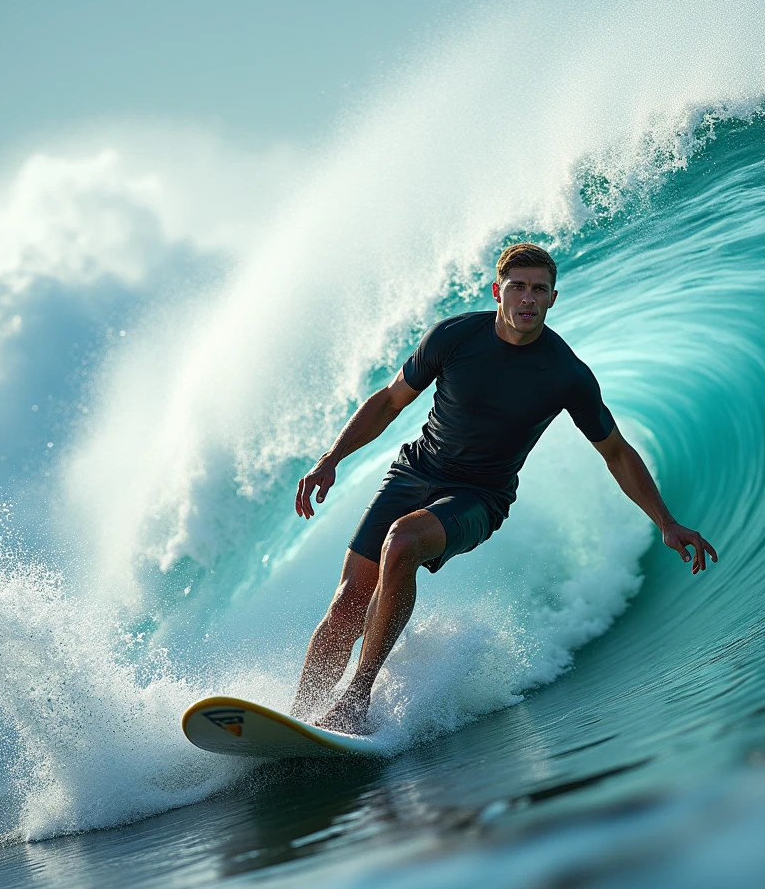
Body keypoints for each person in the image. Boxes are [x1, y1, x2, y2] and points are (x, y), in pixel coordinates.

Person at [292, 242, 717, 732]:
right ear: (498, 291)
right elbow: (390, 402)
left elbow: (616, 451)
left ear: (553, 299)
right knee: (346, 604)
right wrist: (331, 459)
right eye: (517, 287)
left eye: (539, 289)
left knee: (403, 541)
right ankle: (300, 722)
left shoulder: (565, 374)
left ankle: (355, 699)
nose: (527, 298)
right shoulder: (453, 337)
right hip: (414, 472)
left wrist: (665, 522)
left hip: (478, 497)